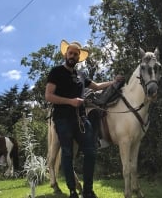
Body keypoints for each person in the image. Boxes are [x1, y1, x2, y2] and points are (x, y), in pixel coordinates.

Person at [45, 39, 124, 198]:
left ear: (79, 58)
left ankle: (88, 191)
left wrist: (113, 82)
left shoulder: (81, 75)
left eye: (76, 54)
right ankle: (73, 191)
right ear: (66, 54)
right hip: (62, 119)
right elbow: (48, 96)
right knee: (67, 154)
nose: (73, 56)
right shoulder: (56, 71)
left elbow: (96, 86)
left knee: (91, 152)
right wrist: (70, 101)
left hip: (81, 119)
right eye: (71, 53)